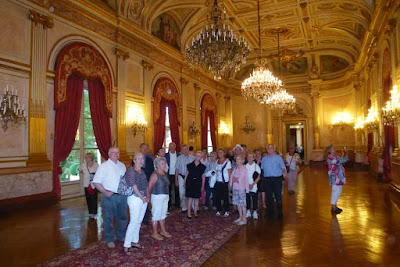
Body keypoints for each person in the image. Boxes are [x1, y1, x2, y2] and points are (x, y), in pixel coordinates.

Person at [93, 147, 127, 249]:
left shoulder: (122, 165)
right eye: (113, 152)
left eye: (117, 152)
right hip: (109, 196)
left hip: (122, 196)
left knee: (122, 217)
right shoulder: (104, 166)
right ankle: (109, 239)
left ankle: (121, 236)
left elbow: (124, 181)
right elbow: (96, 182)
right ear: (109, 154)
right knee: (108, 218)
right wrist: (104, 192)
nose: (115, 154)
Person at [123, 153, 149, 254]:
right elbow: (133, 185)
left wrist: (147, 196)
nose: (141, 161)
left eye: (142, 159)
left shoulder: (142, 171)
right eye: (138, 159)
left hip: (143, 198)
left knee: (139, 221)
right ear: (134, 160)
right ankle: (127, 245)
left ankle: (135, 241)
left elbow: (146, 185)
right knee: (134, 221)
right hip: (134, 198)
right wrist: (142, 197)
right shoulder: (131, 170)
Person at [147, 157, 171, 240]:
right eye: (162, 164)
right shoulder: (154, 175)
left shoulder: (165, 173)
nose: (164, 165)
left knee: (163, 214)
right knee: (156, 215)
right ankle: (154, 233)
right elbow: (149, 187)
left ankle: (163, 231)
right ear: (157, 165)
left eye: (165, 163)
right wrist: (148, 197)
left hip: (165, 196)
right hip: (157, 196)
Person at [261, 144, 287, 218]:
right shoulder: (264, 158)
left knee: (278, 196)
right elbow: (262, 169)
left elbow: (283, 168)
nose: (270, 149)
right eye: (268, 148)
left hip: (277, 179)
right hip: (267, 179)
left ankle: (279, 212)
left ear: (274, 149)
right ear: (266, 149)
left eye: (271, 148)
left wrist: (285, 177)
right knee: (268, 197)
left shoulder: (279, 158)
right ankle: (270, 212)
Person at [326, 145, 348, 214]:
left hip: (338, 177)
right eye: (333, 149)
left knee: (338, 191)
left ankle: (335, 205)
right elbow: (342, 160)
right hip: (335, 178)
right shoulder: (331, 159)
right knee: (335, 191)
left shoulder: (335, 157)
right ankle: (333, 207)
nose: (335, 149)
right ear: (330, 151)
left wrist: (344, 154)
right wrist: (346, 154)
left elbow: (342, 160)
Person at [184, 151, 206, 218]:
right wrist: (184, 182)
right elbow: (186, 174)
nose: (197, 157)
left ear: (201, 157)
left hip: (197, 183)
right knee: (190, 198)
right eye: (196, 155)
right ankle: (189, 213)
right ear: (194, 156)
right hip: (190, 182)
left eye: (199, 156)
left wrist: (202, 185)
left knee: (196, 199)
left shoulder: (203, 166)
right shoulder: (189, 165)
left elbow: (203, 176)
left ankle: (195, 212)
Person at [78, 152, 99, 219]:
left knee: (94, 198)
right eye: (85, 157)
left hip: (94, 184)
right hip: (86, 184)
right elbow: (79, 169)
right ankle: (90, 212)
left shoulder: (96, 165)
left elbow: (99, 172)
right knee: (88, 198)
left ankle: (94, 212)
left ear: (91, 158)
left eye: (87, 157)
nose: (86, 159)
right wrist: (85, 174)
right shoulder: (83, 165)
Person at [230, 154, 249, 225]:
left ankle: (244, 218)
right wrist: (234, 180)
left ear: (242, 160)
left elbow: (240, 179)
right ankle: (240, 216)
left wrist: (236, 179)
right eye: (237, 159)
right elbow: (232, 178)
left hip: (241, 188)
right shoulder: (235, 168)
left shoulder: (244, 169)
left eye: (239, 159)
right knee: (238, 203)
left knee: (242, 204)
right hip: (235, 188)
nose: (238, 161)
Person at [175, 145, 195, 212]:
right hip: (181, 176)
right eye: (183, 149)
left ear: (188, 149)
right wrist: (176, 180)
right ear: (181, 150)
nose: (185, 150)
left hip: (190, 177)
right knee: (182, 192)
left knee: (191, 192)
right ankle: (184, 208)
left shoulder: (192, 157)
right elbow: (177, 169)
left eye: (186, 149)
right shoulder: (179, 158)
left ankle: (193, 206)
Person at [214, 148, 232, 217]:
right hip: (217, 181)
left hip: (224, 182)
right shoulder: (216, 161)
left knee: (225, 197)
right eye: (219, 153)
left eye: (221, 152)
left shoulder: (227, 162)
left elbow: (230, 173)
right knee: (217, 197)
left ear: (224, 153)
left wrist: (230, 183)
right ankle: (218, 210)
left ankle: (226, 210)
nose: (220, 154)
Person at [140, 143, 154, 225]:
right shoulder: (136, 158)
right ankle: (140, 217)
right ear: (140, 149)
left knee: (147, 200)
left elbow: (151, 170)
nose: (145, 151)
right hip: (139, 183)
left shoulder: (149, 159)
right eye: (144, 149)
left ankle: (146, 218)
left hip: (148, 182)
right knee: (140, 200)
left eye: (146, 149)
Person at [245, 152, 261, 219]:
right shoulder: (245, 166)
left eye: (251, 157)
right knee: (247, 198)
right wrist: (247, 184)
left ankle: (255, 211)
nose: (249, 158)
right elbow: (244, 176)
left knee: (254, 198)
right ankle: (248, 211)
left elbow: (259, 177)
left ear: (254, 158)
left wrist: (253, 184)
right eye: (248, 156)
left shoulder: (256, 166)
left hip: (254, 185)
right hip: (246, 184)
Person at [165, 142, 180, 209]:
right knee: (169, 190)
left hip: (177, 174)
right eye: (170, 146)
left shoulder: (179, 155)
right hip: (168, 174)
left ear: (175, 147)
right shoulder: (166, 155)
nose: (171, 148)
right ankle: (169, 205)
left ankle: (177, 203)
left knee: (177, 189)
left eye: (173, 146)